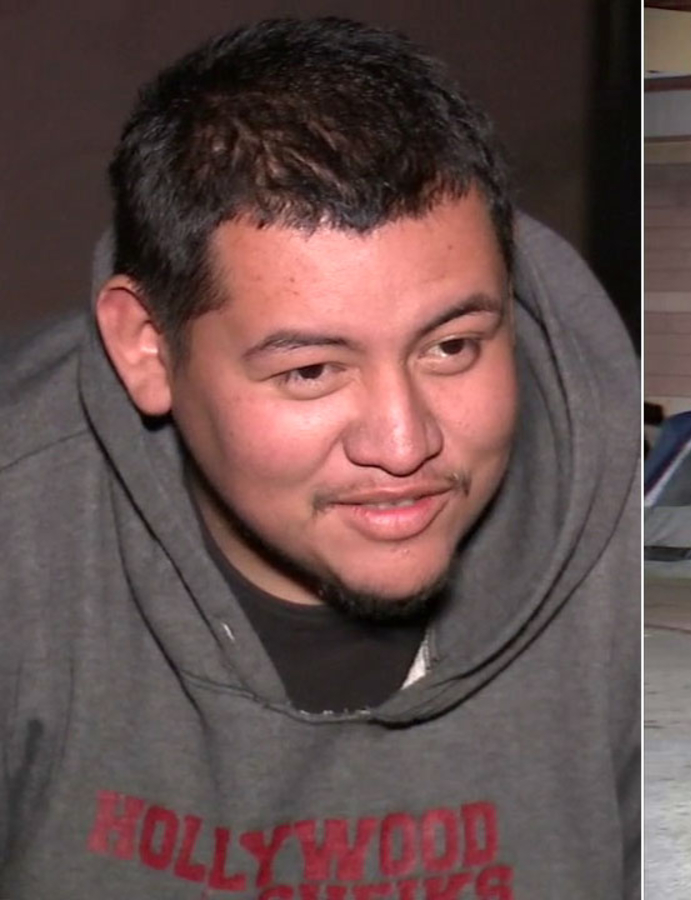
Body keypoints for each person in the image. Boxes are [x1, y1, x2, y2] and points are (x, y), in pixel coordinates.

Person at [0, 17, 639, 897]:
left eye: (451, 347)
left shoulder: (630, 556)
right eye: (310, 370)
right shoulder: (20, 536)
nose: (405, 442)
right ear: (150, 349)